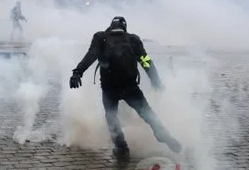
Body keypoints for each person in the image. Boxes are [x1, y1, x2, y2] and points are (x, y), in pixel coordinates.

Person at [69, 16, 181, 159]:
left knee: (111, 117)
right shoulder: (133, 39)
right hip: (130, 86)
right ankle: (161, 133)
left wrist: (78, 73)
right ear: (124, 27)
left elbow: (91, 55)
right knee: (147, 113)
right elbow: (145, 61)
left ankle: (122, 148)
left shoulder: (101, 37)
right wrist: (156, 80)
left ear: (110, 26)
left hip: (109, 88)